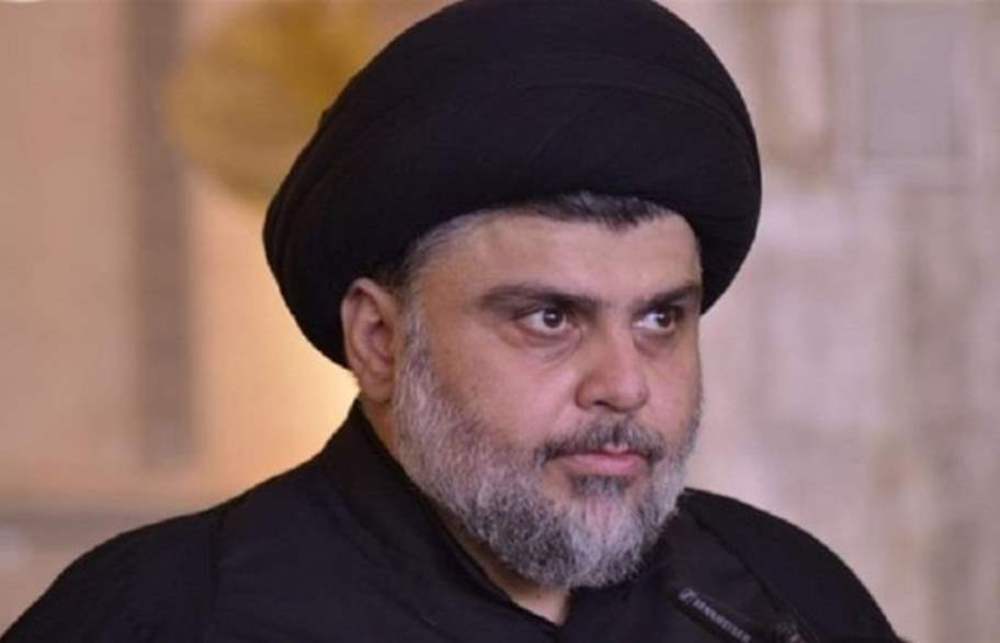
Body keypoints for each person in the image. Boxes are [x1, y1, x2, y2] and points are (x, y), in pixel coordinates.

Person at [4, 1, 901, 641]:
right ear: (380, 340)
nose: (626, 383)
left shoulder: (788, 598)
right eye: (550, 317)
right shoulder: (162, 616)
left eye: (662, 317)